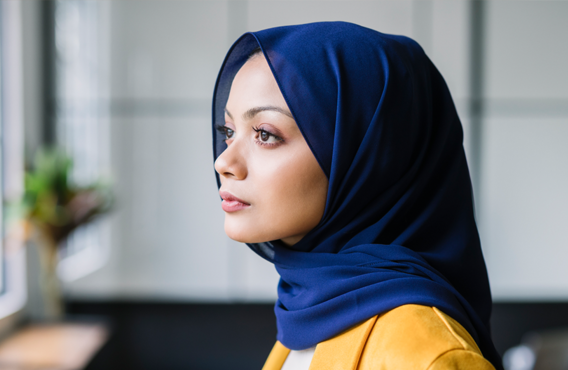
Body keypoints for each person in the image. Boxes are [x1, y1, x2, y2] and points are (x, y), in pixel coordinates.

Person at [212, 21, 502, 369]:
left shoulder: (427, 356)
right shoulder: (309, 310)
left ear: (369, 156)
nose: (223, 162)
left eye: (265, 134)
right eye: (228, 130)